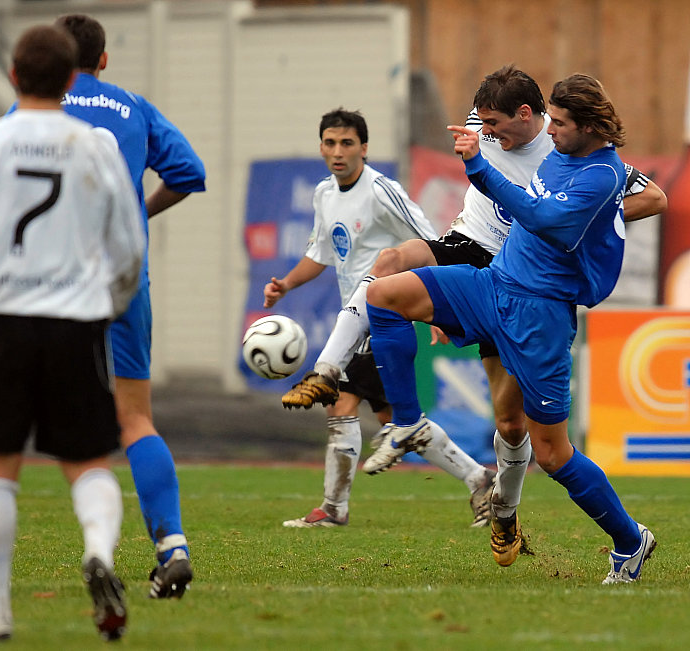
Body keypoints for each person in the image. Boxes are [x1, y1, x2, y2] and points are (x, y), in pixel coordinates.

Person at [286, 66, 665, 520]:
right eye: (480, 123)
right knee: (386, 279)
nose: (484, 132)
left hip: (533, 289)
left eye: (493, 125)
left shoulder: (580, 159)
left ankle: (503, 507)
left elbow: (654, 198)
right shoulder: (488, 121)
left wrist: (587, 216)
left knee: (514, 425)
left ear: (528, 115)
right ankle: (342, 379)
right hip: (475, 255)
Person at [0, 14, 206, 600]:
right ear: (102, 60)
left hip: (40, 290)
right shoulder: (133, 108)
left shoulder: (18, 122)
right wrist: (138, 213)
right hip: (120, 282)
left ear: (24, 72)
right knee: (134, 418)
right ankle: (172, 546)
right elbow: (189, 172)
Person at [363, 72, 657, 583]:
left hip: (540, 316)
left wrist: (478, 165)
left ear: (587, 127)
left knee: (551, 452)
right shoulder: (562, 152)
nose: (552, 131)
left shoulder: (602, 177)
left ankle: (631, 540)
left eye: (561, 123)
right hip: (493, 284)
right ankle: (408, 422)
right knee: (383, 293)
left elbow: (540, 215)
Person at [0, 25, 144, 641]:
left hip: (5, 323)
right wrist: (112, 302)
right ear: (72, 78)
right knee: (88, 462)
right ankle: (98, 550)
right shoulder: (97, 145)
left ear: (15, 77)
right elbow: (129, 245)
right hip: (76, 324)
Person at [266, 108, 496, 529]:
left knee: (341, 403)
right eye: (331, 143)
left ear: (364, 148)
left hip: (381, 316)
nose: (338, 152)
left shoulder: (380, 191)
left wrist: (438, 310)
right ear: (321, 147)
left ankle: (333, 509)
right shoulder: (324, 195)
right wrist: (285, 286)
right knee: (399, 421)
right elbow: (319, 253)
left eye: (347, 143)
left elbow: (429, 239)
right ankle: (479, 477)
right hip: (356, 321)